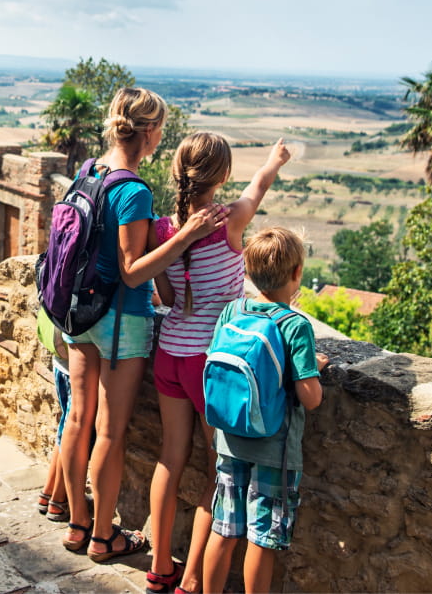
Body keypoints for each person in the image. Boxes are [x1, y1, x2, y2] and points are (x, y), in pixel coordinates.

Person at [59, 87, 230, 562]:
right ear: (151, 132)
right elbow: (134, 270)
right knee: (110, 432)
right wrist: (189, 235)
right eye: (160, 128)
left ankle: (77, 525)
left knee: (77, 417)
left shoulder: (89, 170)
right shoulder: (133, 190)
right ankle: (101, 537)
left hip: (79, 313)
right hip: (118, 322)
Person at [146, 134, 290, 593]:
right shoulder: (229, 221)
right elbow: (259, 187)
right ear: (223, 176)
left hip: (168, 353)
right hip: (210, 363)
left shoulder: (164, 229)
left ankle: (158, 565)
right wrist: (274, 159)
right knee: (217, 471)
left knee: (170, 458)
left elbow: (166, 297)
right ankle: (191, 579)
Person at [201, 227, 327, 594]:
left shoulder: (232, 310)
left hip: (229, 440)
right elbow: (311, 397)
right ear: (297, 273)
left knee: (223, 529)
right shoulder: (295, 325)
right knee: (262, 537)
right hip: (275, 449)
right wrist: (313, 367)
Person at [35, 307, 76, 523]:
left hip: (57, 340)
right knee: (74, 424)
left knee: (67, 422)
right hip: (73, 348)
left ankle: (49, 491)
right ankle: (59, 500)